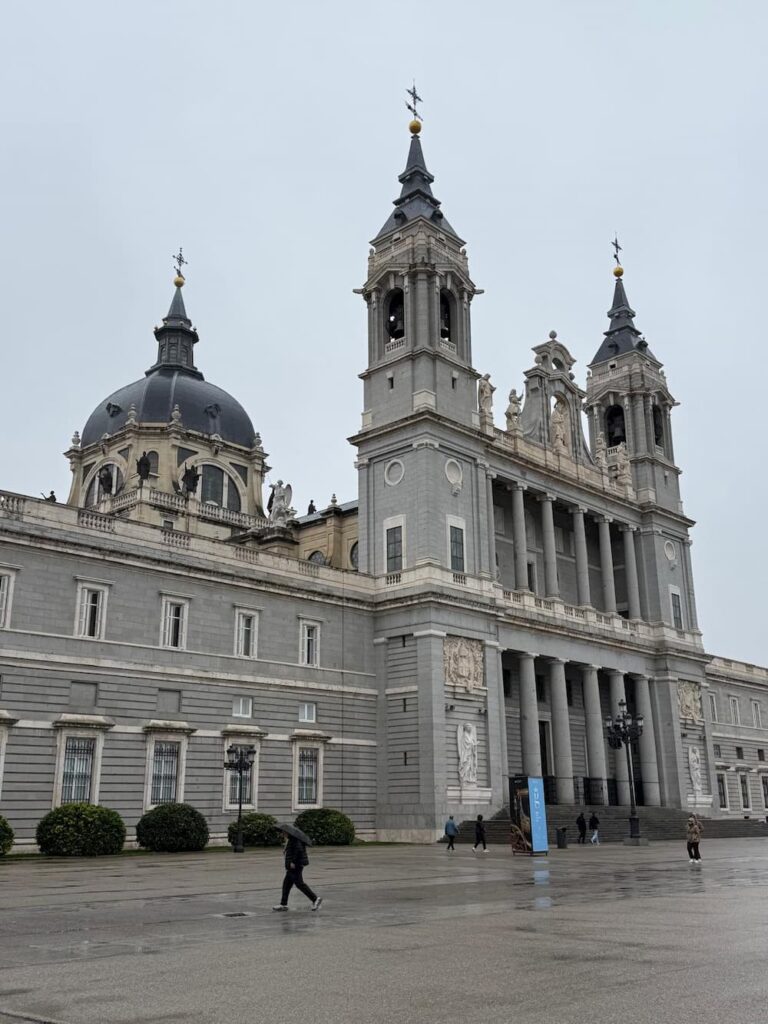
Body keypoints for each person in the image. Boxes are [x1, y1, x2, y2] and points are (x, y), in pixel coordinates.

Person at [272, 828, 322, 912]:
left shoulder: (295, 840)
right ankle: (283, 904)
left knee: (299, 884)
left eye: (283, 832)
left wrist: (293, 861)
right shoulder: (291, 840)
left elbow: (298, 850)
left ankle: (315, 899)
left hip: (295, 865)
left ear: (287, 832)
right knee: (286, 885)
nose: (282, 834)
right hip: (293, 866)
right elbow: (293, 850)